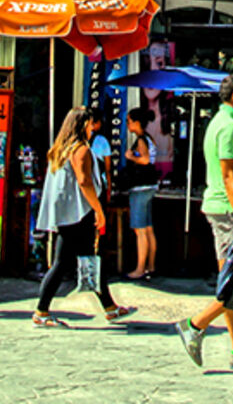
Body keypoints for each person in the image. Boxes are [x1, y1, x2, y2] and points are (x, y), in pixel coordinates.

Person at [176, 73, 233, 370]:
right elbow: (230, 176)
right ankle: (195, 324)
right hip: (230, 212)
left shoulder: (218, 122)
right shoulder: (229, 127)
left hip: (219, 209)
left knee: (230, 278)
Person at [32, 106, 132, 326]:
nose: (92, 128)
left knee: (89, 259)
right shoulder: (81, 150)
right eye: (89, 124)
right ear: (81, 126)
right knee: (63, 263)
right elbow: (84, 181)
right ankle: (41, 311)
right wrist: (98, 210)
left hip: (67, 211)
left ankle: (109, 307)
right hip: (80, 212)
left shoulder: (60, 149)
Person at [123, 106, 159, 279]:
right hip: (150, 186)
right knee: (148, 228)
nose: (127, 125)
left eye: (129, 121)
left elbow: (144, 159)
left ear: (137, 123)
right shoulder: (149, 138)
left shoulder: (141, 140)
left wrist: (131, 157)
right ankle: (150, 266)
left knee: (140, 230)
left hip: (140, 187)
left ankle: (140, 268)